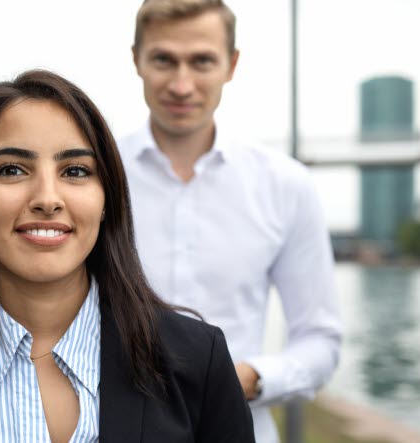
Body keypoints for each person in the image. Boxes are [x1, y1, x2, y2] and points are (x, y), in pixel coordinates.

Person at [0, 69, 255, 443]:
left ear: (106, 199)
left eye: (75, 171)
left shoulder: (197, 361)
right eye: (11, 170)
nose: (47, 198)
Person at [119, 0, 342, 441]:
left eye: (202, 61)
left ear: (231, 64)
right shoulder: (93, 175)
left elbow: (320, 341)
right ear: (137, 60)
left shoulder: (286, 184)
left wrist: (246, 377)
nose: (182, 85)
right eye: (164, 59)